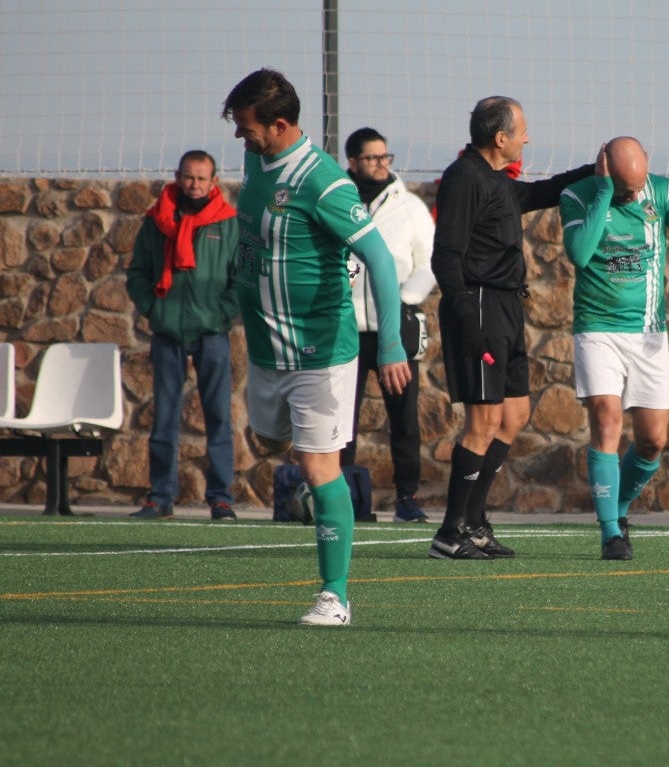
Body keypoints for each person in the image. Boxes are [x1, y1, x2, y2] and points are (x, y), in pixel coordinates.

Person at [221, 68, 411, 625]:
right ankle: (318, 497)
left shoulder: (324, 182)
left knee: (321, 466)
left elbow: (378, 259)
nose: (240, 137)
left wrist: (394, 345)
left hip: (320, 351)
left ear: (280, 125)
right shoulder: (258, 161)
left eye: (248, 127)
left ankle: (335, 595)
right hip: (265, 349)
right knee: (272, 442)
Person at [429, 95, 593, 560]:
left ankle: (475, 523)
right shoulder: (464, 178)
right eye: (522, 130)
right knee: (482, 421)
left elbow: (539, 194)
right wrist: (467, 321)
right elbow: (447, 255)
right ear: (500, 138)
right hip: (478, 308)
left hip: (505, 308)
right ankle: (449, 534)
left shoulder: (497, 180)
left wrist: (593, 170)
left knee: (515, 414)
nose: (528, 137)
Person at [559, 137, 669, 559]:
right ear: (605, 170)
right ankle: (610, 533)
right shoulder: (577, 195)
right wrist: (602, 191)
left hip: (648, 332)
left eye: (637, 186)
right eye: (623, 187)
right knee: (607, 417)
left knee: (653, 441)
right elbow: (579, 254)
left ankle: (620, 510)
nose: (633, 195)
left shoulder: (664, 192)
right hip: (597, 329)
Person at [125, 150, 239, 522]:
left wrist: (223, 313)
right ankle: (161, 497)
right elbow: (138, 274)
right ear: (178, 177)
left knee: (219, 417)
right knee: (165, 418)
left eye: (201, 178)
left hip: (213, 334)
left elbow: (242, 277)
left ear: (213, 181)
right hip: (168, 332)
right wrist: (156, 310)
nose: (194, 184)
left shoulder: (229, 222)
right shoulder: (157, 221)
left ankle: (220, 499)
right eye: (188, 177)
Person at [341, 127, 436, 523]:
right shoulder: (337, 201)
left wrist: (402, 302)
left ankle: (406, 499)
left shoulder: (409, 206)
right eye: (372, 158)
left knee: (404, 418)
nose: (381, 164)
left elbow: (428, 262)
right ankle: (342, 496)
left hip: (393, 330)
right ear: (352, 162)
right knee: (342, 419)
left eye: (386, 157)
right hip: (345, 329)